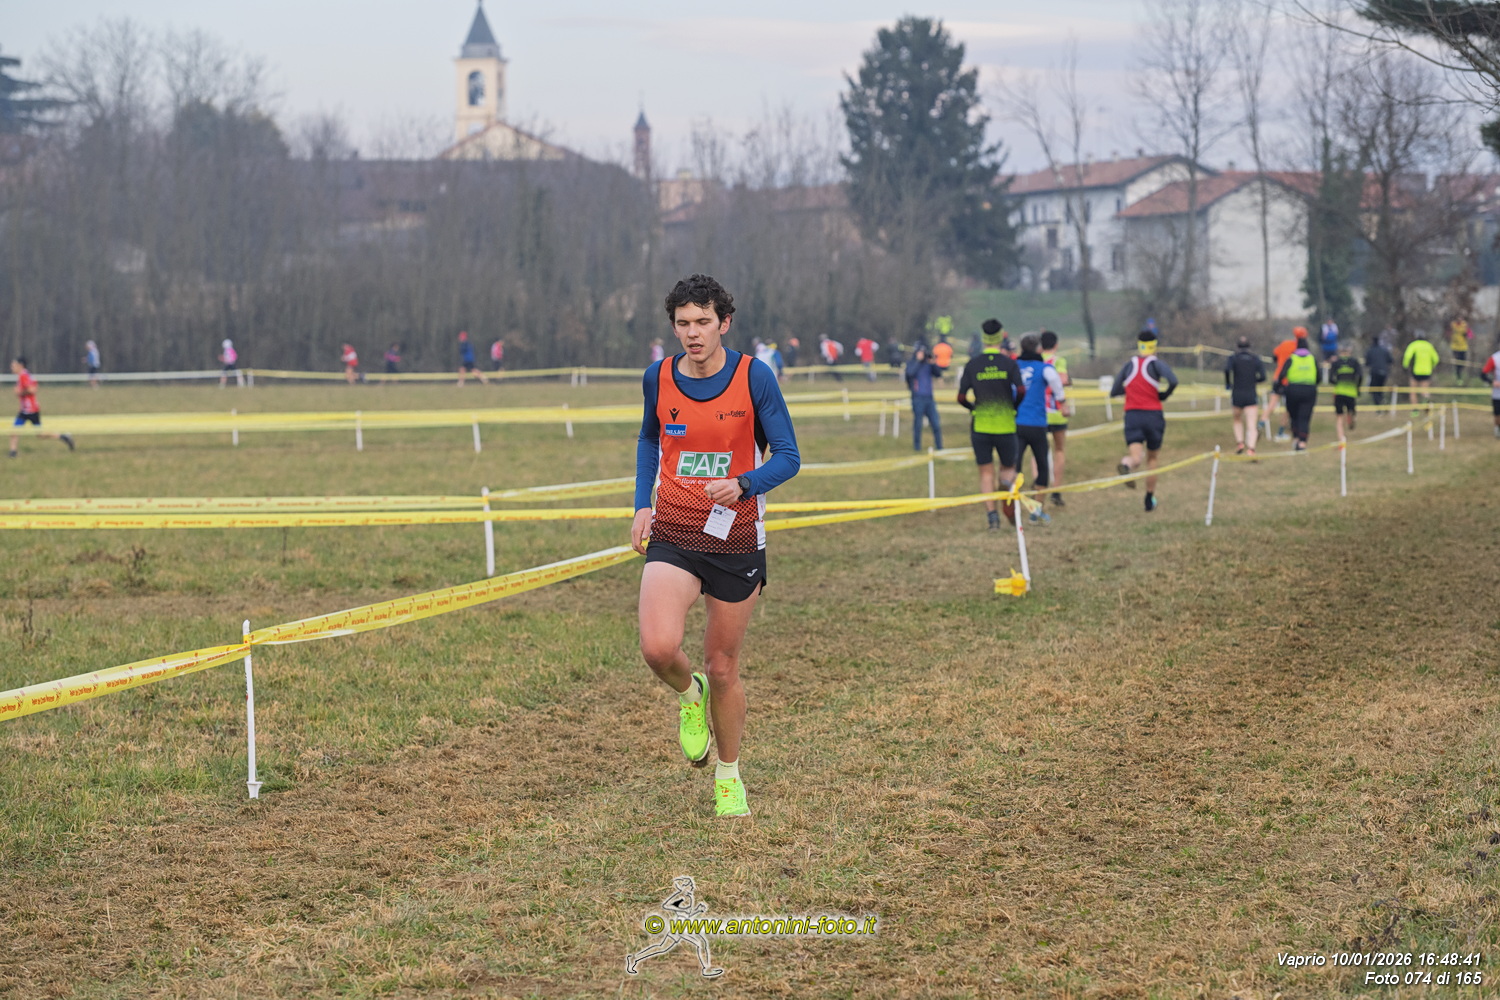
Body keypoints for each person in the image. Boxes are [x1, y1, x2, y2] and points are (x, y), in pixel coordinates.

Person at [631, 274, 801, 819]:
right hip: (675, 531)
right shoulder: (658, 377)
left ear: (724, 323)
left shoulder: (755, 377)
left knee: (723, 666)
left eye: (703, 322)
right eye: (683, 323)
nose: (693, 333)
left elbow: (789, 456)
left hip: (735, 536)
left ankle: (728, 774)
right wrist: (641, 503)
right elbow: (649, 438)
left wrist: (745, 482)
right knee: (658, 648)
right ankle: (690, 694)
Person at [957, 319, 1025, 529]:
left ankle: (992, 517)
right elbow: (1021, 390)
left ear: (984, 338)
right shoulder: (1009, 363)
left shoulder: (973, 364)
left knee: (986, 472)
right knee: (1008, 469)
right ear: (1000, 337)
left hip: (981, 426)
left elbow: (961, 397)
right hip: (1006, 425)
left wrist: (973, 408)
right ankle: (1007, 502)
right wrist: (1013, 406)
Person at [1111, 330, 1178, 511]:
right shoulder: (1156, 364)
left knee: (1135, 457)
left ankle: (1126, 464)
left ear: (1139, 344)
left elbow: (1114, 390)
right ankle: (1149, 499)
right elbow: (1173, 380)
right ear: (1155, 346)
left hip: (1133, 415)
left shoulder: (1129, 365)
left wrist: (1131, 391)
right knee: (1152, 459)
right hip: (1153, 415)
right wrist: (1163, 395)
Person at [1014, 334, 1065, 526]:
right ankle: (1036, 511)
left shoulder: (1013, 366)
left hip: (1016, 423)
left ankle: (1013, 507)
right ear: (1038, 349)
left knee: (1014, 466)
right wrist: (1063, 403)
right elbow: (1057, 386)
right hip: (1037, 424)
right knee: (1043, 466)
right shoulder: (1045, 368)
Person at [9, 357, 74, 458]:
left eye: (13, 365)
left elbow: (32, 390)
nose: (11, 367)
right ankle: (13, 453)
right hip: (24, 411)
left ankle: (64, 437)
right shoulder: (24, 375)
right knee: (14, 431)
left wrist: (19, 392)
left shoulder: (24, 376)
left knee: (40, 434)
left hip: (31, 410)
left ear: (20, 365)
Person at [1039, 330, 1072, 506]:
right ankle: (1056, 490)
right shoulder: (1058, 361)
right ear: (1056, 345)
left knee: (1038, 451)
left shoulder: (1036, 360)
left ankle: (1038, 485)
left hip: (1039, 413)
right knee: (1059, 450)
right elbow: (1063, 379)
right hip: (1057, 412)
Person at [1275, 334, 1319, 451]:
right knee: (1304, 418)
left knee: (1294, 416)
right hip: (1309, 390)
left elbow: (1281, 374)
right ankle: (1302, 442)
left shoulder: (1291, 358)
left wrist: (1280, 386)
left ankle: (1295, 438)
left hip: (1293, 390)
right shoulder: (1312, 359)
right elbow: (1318, 376)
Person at [1224, 336, 1267, 457]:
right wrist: (1254, 381)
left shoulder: (1233, 358)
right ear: (1249, 346)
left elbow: (1227, 370)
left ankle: (1240, 443)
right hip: (1250, 394)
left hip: (1237, 393)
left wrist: (1228, 384)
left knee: (1237, 419)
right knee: (1251, 424)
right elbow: (1263, 376)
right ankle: (1251, 449)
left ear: (1238, 346)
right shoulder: (1255, 359)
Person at [905, 344, 944, 453]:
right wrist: (918, 361)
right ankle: (917, 447)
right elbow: (910, 373)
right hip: (918, 398)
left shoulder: (928, 365)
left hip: (929, 399)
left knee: (936, 424)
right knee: (918, 424)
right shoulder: (912, 363)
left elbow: (938, 373)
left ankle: (939, 447)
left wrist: (933, 362)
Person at [1265, 329, 1300, 441]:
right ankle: (1280, 432)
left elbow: (1274, 357)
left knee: (1271, 405)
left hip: (1277, 378)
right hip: (1288, 381)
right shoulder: (1299, 348)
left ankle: (1259, 426)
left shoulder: (1284, 344)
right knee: (1289, 408)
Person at [1329, 343, 1363, 443]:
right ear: (1350, 352)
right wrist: (1357, 387)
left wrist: (1337, 383)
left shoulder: (1336, 363)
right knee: (1351, 410)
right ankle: (1351, 417)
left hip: (1339, 391)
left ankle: (1341, 438)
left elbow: (1330, 378)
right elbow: (1360, 376)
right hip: (1351, 392)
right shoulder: (1354, 362)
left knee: (1339, 416)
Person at [1403, 329, 1440, 414]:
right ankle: (1426, 402)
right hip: (1427, 372)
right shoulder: (1429, 346)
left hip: (1416, 371)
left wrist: (1405, 366)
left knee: (1413, 391)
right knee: (1425, 390)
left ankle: (1415, 410)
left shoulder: (1414, 345)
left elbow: (1407, 356)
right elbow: (1436, 359)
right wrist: (1432, 366)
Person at [1365, 335, 1394, 406]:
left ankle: (1379, 405)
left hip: (1374, 372)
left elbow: (1367, 363)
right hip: (1384, 372)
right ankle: (1382, 401)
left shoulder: (1370, 350)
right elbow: (1391, 360)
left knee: (1374, 390)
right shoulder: (1384, 350)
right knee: (1380, 389)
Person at [1480, 345, 1500, 437]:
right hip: (1497, 393)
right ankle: (1497, 429)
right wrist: (1492, 382)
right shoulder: (1495, 358)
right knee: (1497, 414)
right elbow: (1483, 374)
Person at [1449, 316, 1474, 384]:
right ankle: (1458, 377)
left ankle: (1460, 375)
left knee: (1463, 362)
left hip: (1463, 347)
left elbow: (1470, 335)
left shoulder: (1464, 325)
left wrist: (1467, 334)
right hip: (1455, 347)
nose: (1459, 319)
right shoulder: (1453, 325)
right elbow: (1448, 333)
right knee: (1457, 363)